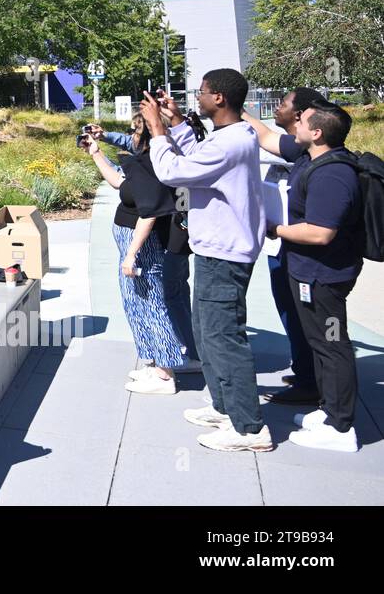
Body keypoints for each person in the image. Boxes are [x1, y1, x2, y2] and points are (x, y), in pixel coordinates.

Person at [144, 71, 272, 452]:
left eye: (201, 92)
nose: (195, 96)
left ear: (218, 98)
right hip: (216, 249)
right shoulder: (231, 136)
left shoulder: (229, 144)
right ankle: (224, 407)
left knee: (223, 338)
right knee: (206, 331)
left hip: (224, 254)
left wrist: (157, 131)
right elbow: (198, 157)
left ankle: (249, 428)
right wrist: (178, 123)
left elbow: (174, 172)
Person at [261, 101, 364, 452]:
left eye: (302, 120)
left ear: (317, 132)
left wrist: (276, 229)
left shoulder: (332, 174)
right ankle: (330, 410)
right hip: (312, 273)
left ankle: (340, 428)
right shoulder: (314, 160)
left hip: (325, 278)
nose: (297, 122)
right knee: (321, 344)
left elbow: (321, 233)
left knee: (332, 345)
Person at [84, 120, 198, 394]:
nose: (128, 137)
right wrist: (96, 153)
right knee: (136, 304)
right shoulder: (142, 162)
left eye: (134, 131)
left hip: (142, 246)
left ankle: (164, 374)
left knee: (151, 304)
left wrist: (131, 254)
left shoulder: (151, 165)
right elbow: (119, 184)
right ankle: (155, 362)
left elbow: (150, 214)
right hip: (133, 243)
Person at [240, 88, 327, 405]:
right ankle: (305, 370)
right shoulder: (298, 146)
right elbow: (264, 134)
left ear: (302, 114)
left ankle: (310, 382)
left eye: (284, 104)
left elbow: (264, 136)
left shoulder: (309, 151)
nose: (277, 108)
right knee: (289, 309)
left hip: (297, 248)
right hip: (282, 247)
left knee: (300, 314)